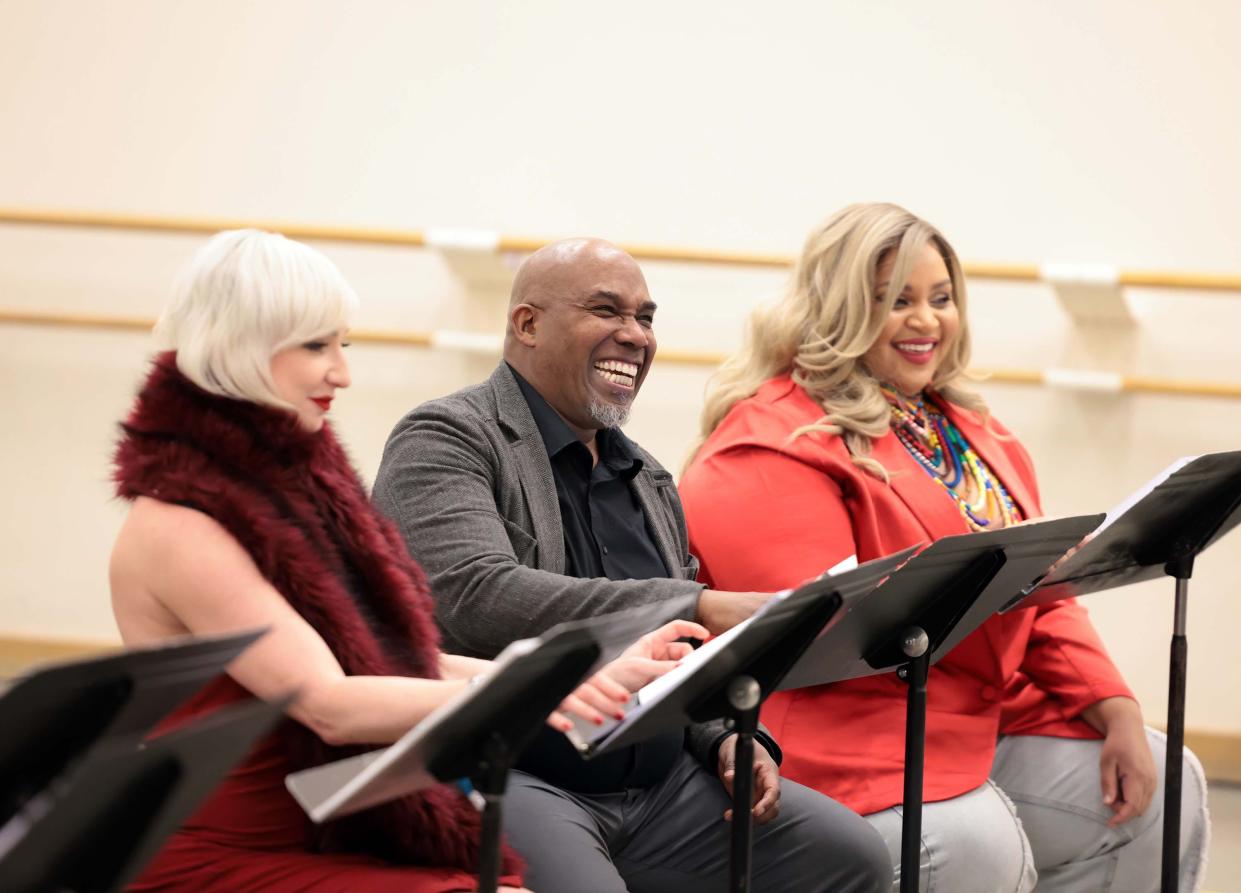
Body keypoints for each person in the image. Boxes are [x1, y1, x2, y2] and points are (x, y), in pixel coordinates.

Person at [110, 229, 695, 892]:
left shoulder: (284, 498)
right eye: (314, 345)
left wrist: (566, 673)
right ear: (237, 346)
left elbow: (394, 653)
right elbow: (331, 704)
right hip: (225, 853)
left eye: (343, 344)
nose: (342, 371)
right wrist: (535, 688)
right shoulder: (181, 523)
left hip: (336, 822)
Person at [678, 203, 1210, 892]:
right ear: (840, 310)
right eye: (896, 301)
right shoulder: (769, 444)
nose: (926, 321)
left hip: (976, 711)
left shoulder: (968, 430)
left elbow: (1045, 589)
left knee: (1167, 786)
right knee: (976, 844)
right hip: (852, 731)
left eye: (940, 298)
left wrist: (1114, 707)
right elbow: (818, 637)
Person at [372, 238, 892, 893]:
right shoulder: (446, 436)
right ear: (527, 324)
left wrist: (725, 739)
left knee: (851, 856)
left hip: (661, 782)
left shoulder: (647, 476)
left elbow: (680, 657)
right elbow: (473, 595)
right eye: (606, 310)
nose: (633, 335)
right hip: (517, 770)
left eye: (644, 318)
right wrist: (693, 601)